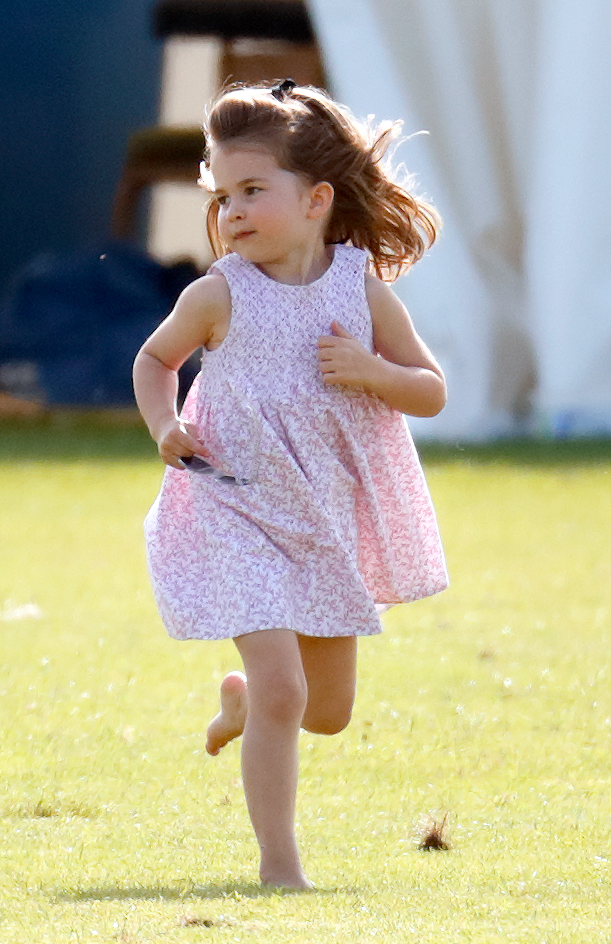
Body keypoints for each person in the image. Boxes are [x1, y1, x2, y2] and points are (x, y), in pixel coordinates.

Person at [132, 79, 449, 889]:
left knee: (326, 712)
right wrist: (165, 425)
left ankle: (241, 704)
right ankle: (280, 866)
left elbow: (431, 389)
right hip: (233, 498)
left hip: (324, 516)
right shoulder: (216, 294)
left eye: (251, 191)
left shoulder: (358, 288)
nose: (231, 211)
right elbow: (153, 360)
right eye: (221, 194)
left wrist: (374, 372)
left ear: (314, 200)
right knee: (285, 689)